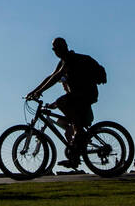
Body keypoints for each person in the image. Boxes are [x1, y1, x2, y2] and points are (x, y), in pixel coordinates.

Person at [26, 36, 99, 171]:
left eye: (57, 48)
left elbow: (56, 77)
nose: (56, 51)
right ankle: (75, 157)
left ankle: (78, 130)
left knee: (62, 102)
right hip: (80, 95)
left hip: (85, 94)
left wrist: (40, 91)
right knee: (65, 107)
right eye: (54, 49)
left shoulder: (70, 60)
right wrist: (34, 91)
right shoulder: (63, 62)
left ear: (64, 47)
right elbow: (51, 76)